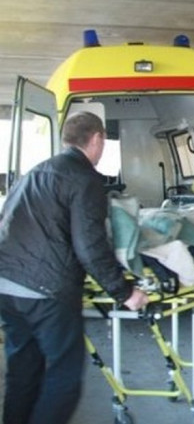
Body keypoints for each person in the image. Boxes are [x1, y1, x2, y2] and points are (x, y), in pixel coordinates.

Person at [0, 111, 149, 424]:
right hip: (46, 292)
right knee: (64, 377)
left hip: (7, 286)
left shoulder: (35, 172)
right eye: (103, 141)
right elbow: (90, 247)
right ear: (96, 138)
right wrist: (125, 292)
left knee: (23, 372)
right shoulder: (84, 179)